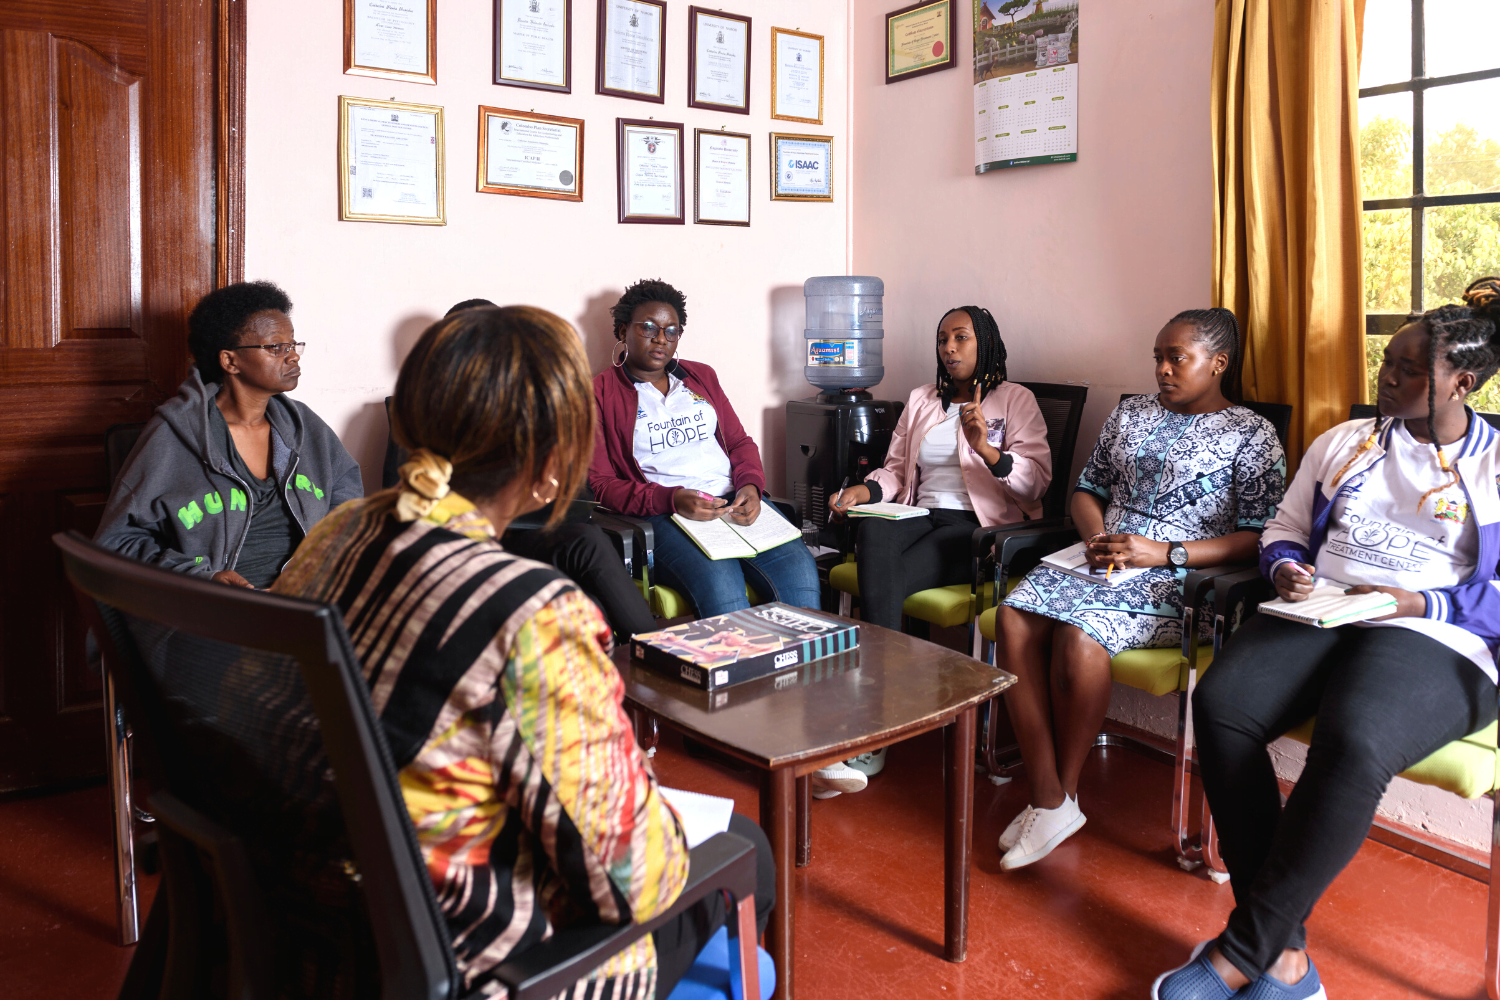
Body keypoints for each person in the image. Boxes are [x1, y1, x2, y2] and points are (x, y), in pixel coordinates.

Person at [273, 306, 774, 1000]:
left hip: (303, 930)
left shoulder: (336, 535)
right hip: (479, 965)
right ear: (549, 468)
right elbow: (635, 881)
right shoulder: (531, 612)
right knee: (749, 851)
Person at [1153, 279, 1500, 1000]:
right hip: (1326, 608)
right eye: (1387, 361)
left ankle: (1240, 952)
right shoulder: (1345, 442)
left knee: (1358, 735)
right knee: (1221, 704)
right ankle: (1285, 957)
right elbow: (1283, 527)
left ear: (1461, 384)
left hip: (1436, 631)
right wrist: (1284, 567)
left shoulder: (1494, 465)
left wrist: (1415, 600)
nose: (1386, 377)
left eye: (1408, 369)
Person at [995, 308, 1285, 872]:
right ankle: (1049, 796)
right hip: (1102, 558)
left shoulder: (1252, 434)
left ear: (1218, 363)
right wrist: (1097, 539)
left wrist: (1165, 552)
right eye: (1158, 357)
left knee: (1080, 636)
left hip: (1182, 577)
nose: (1162, 369)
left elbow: (1259, 536)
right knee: (1012, 617)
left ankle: (1060, 795)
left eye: (1177, 358)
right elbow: (1087, 490)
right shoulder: (1131, 413)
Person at [95, 281, 362, 589]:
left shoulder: (305, 427)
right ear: (230, 361)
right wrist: (201, 577)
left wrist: (325, 566)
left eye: (293, 346)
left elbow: (349, 506)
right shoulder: (173, 435)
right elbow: (118, 542)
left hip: (307, 596)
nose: (293, 357)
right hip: (217, 603)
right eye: (276, 347)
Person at [443, 298, 657, 642]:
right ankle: (649, 650)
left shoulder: (528, 405)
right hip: (477, 539)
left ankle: (654, 649)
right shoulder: (427, 414)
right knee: (588, 585)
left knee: (588, 541)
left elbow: (577, 485)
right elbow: (412, 500)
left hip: (535, 528)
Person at [828, 305, 1052, 632]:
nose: (949, 348)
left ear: (986, 342)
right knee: (872, 529)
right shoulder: (922, 399)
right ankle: (892, 659)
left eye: (961, 338)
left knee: (885, 576)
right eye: (943, 340)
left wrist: (987, 451)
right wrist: (860, 492)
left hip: (977, 529)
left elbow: (1036, 483)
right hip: (919, 516)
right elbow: (897, 469)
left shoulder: (1015, 399)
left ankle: (880, 659)